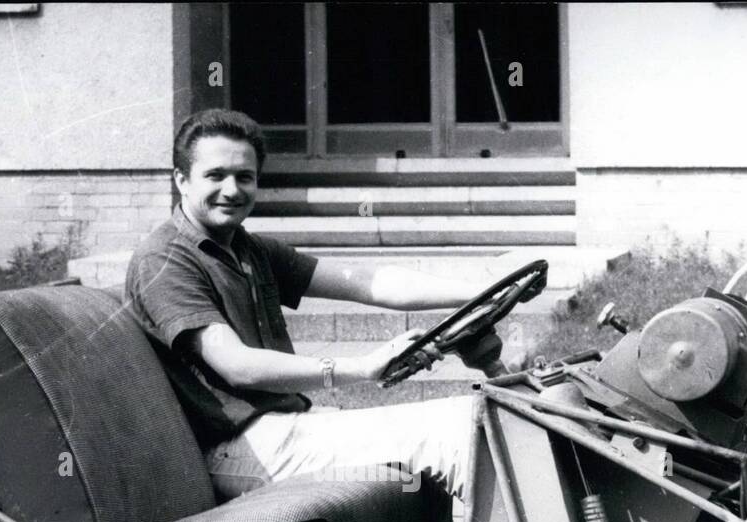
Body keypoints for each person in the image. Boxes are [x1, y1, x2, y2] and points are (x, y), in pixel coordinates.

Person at [126, 109, 490, 502]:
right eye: (215, 176)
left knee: (475, 416)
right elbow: (237, 365)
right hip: (234, 450)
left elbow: (366, 282)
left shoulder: (249, 249)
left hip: (280, 428)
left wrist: (478, 291)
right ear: (181, 180)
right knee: (456, 431)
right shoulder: (165, 260)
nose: (231, 190)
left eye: (244, 177)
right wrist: (361, 367)